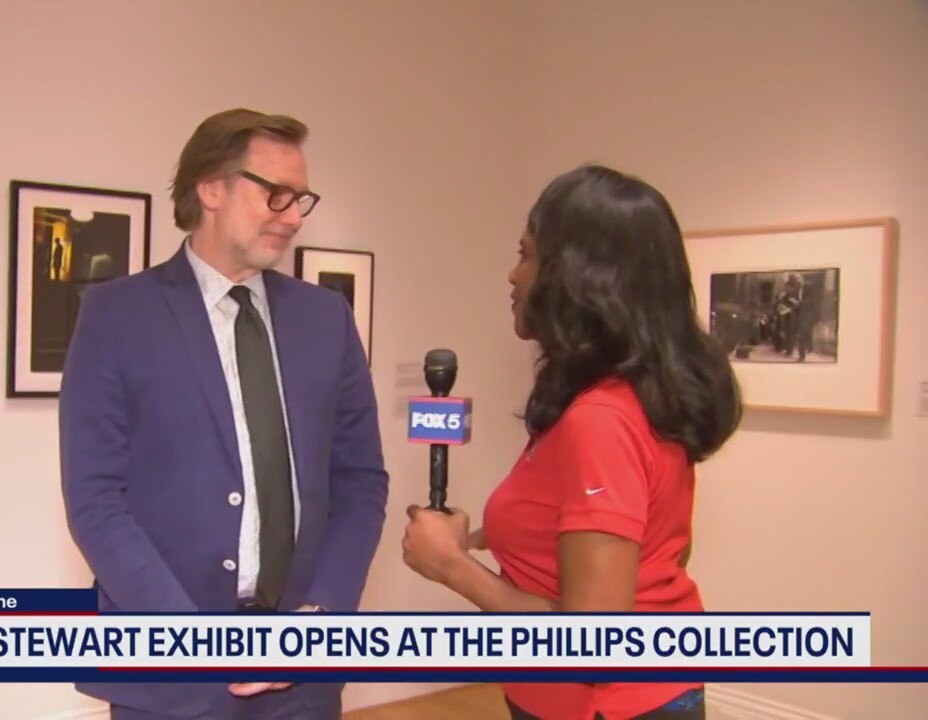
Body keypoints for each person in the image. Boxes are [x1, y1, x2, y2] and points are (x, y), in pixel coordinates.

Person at [59, 108, 389, 720]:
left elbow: (360, 481)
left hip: (302, 681)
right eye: (276, 194)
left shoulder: (326, 318)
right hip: (168, 675)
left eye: (301, 199)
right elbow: (96, 500)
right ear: (211, 188)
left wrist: (321, 617)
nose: (293, 216)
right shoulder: (117, 316)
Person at [400, 164, 742, 720]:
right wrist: (484, 537)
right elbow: (646, 546)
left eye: (526, 255)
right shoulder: (622, 399)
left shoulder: (603, 420)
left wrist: (451, 567)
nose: (513, 275)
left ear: (579, 278)